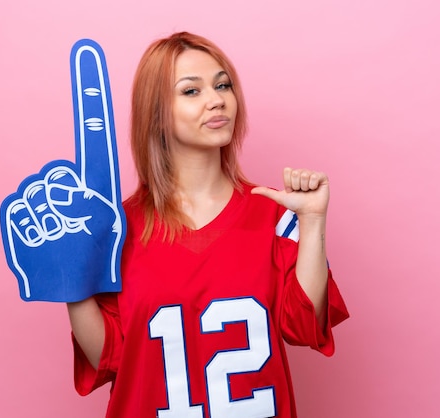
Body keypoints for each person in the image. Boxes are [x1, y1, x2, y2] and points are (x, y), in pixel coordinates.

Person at [66, 31, 349, 418]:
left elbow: (303, 326)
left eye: (223, 85)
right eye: (191, 91)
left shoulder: (274, 216)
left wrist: (314, 219)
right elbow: (112, 357)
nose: (217, 100)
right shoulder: (117, 230)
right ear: (156, 113)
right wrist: (68, 277)